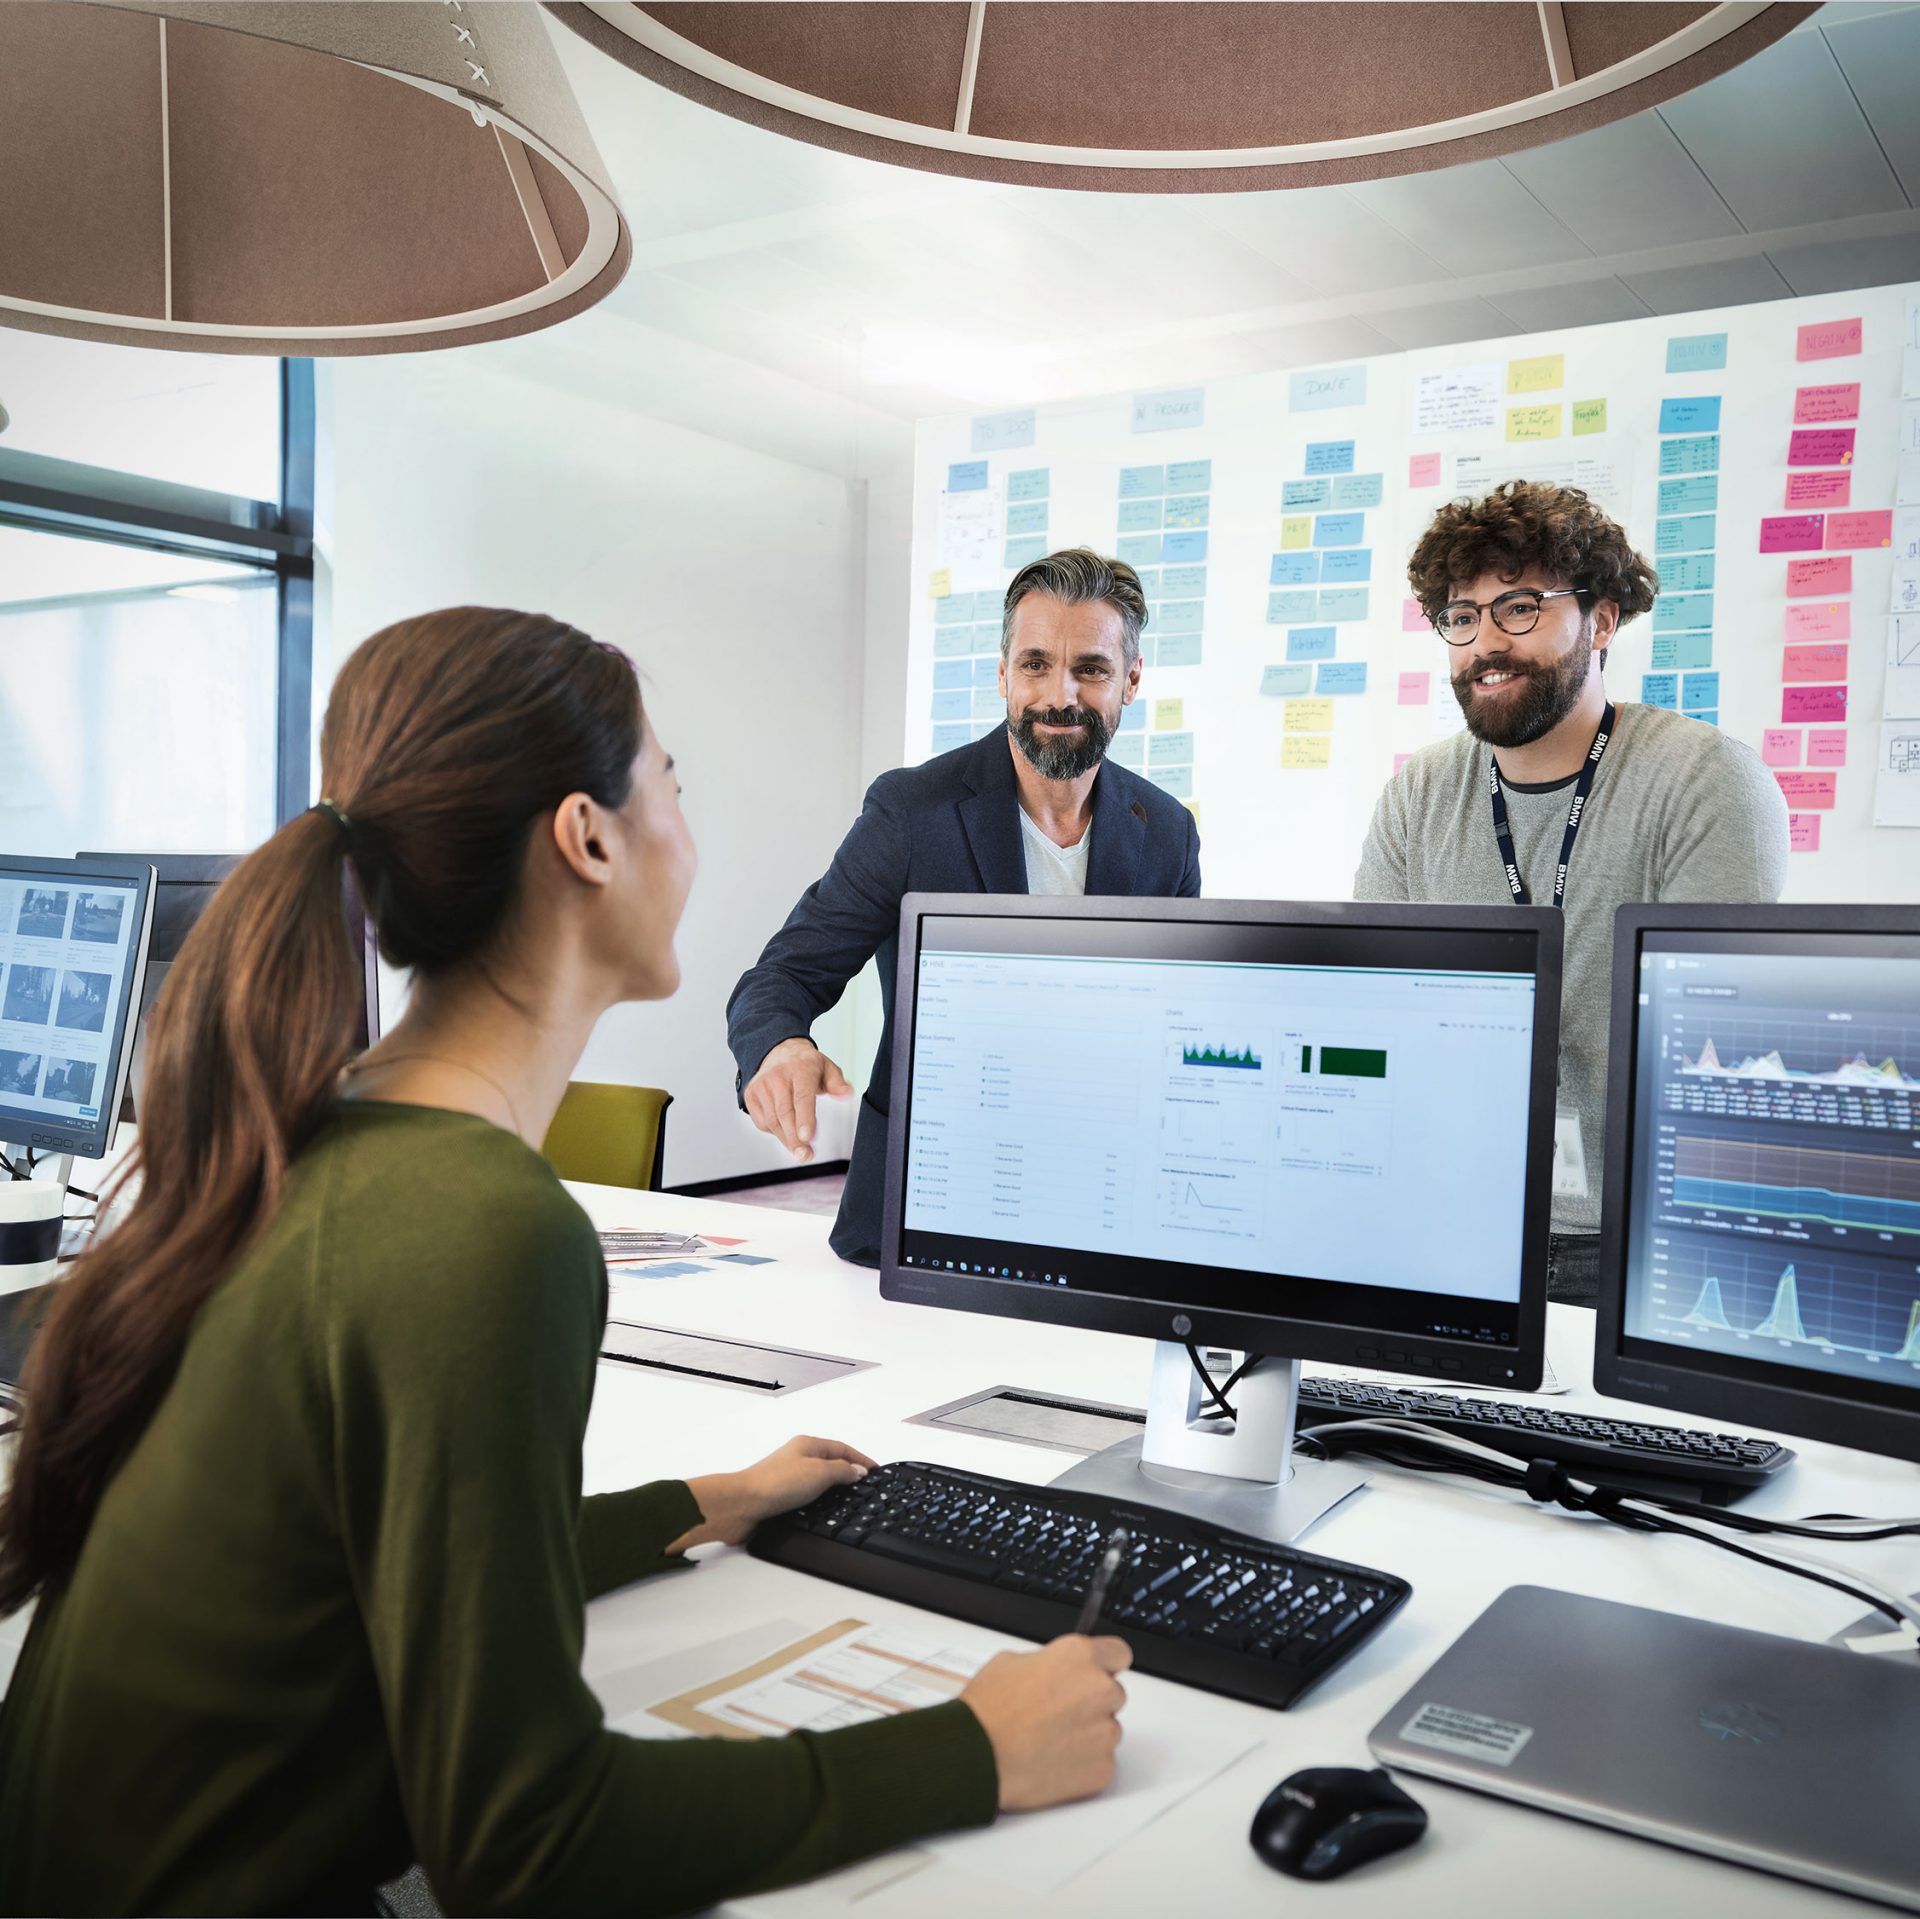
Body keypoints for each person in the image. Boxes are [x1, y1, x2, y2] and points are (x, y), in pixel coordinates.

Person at [0, 608, 1131, 1916]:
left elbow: (405, 1555)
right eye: (674, 786)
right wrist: (973, 1746)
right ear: (588, 837)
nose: (689, 830)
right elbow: (532, 1845)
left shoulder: (326, 1135)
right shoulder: (486, 1222)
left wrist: (696, 1502)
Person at [1355, 482, 1787, 1305]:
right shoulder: (1418, 797)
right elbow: (1383, 1019)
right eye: (1461, 615)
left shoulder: (1706, 783)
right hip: (1455, 1230)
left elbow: (1718, 1065)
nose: (1485, 642)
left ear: (1602, 619)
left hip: (1641, 1247)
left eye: (1520, 607)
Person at [729, 548, 1202, 1265]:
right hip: (922, 1208)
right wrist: (780, 1045)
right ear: (1002, 673)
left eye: (1092, 670)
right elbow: (781, 976)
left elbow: (1180, 1025)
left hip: (1101, 1208)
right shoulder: (912, 813)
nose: (1059, 695)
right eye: (1036, 664)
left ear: (1131, 680)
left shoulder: (1166, 831)